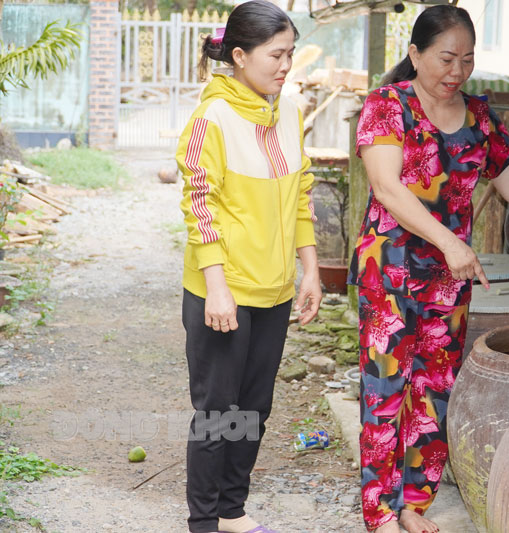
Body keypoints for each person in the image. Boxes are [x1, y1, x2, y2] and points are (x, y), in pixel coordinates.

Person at [348, 5, 509, 533]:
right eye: (444, 58)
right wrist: (449, 242)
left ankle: (413, 504)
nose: (456, 71)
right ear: (415, 54)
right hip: (390, 271)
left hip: (448, 281)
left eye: (467, 60)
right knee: (387, 388)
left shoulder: (481, 118)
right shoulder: (387, 106)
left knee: (434, 390)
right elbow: (389, 189)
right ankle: (380, 513)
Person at [176, 2, 321, 532]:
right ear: (239, 56)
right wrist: (216, 287)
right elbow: (199, 205)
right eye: (275, 55)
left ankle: (233, 510)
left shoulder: (288, 111)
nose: (285, 66)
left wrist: (309, 269)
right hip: (225, 292)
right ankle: (204, 522)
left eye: (290, 54)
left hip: (276, 290)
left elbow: (300, 193)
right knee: (218, 413)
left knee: (255, 408)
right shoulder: (211, 118)